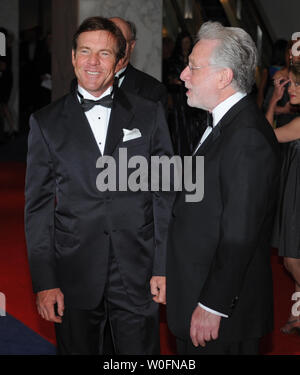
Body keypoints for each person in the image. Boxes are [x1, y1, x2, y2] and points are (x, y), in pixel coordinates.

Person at [25, 16, 174, 355]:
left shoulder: (149, 114)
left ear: (120, 60)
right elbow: (37, 210)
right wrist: (45, 282)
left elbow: (164, 195)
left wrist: (163, 266)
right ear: (73, 57)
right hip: (74, 270)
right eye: (85, 52)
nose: (93, 62)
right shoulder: (46, 123)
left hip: (137, 269)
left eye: (104, 53)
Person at [166, 21, 280, 355]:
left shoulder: (245, 137)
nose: (184, 74)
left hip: (221, 317)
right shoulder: (224, 124)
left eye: (194, 67)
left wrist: (213, 305)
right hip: (198, 293)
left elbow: (240, 233)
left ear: (223, 77)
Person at [266, 64, 300, 335]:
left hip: (297, 194)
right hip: (293, 190)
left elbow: (264, 136)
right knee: (292, 257)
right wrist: (274, 103)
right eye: (292, 83)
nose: (291, 88)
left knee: (291, 259)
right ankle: (297, 314)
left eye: (297, 85)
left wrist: (274, 104)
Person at [109, 17, 168, 112]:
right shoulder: (80, 85)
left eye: (120, 42)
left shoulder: (153, 91)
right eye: (107, 42)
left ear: (131, 46)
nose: (114, 48)